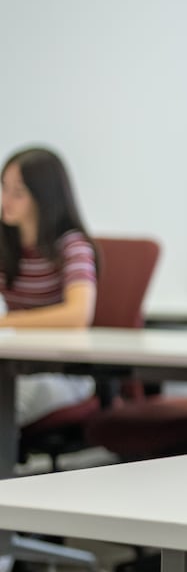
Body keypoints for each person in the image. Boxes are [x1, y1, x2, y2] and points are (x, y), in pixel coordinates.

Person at [0, 147, 98, 427]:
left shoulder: (71, 247)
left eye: (18, 192)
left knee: (10, 402)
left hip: (64, 374)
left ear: (44, 198)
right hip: (16, 369)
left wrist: (8, 322)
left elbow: (78, 315)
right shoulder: (7, 246)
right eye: (3, 188)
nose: (5, 200)